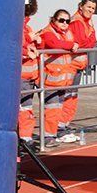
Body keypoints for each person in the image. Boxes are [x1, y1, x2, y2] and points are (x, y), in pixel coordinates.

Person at [59, 0, 97, 141]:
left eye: (93, 8)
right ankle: (60, 127)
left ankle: (64, 125)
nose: (91, 11)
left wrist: (90, 40)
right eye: (88, 7)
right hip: (71, 65)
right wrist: (91, 40)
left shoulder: (86, 23)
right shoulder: (77, 22)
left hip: (78, 65)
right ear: (81, 6)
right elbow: (83, 43)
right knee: (67, 95)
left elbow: (91, 42)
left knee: (72, 96)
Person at [39, 9, 78, 148]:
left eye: (67, 21)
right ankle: (48, 136)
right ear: (54, 20)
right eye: (61, 20)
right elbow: (53, 44)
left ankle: (55, 133)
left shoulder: (66, 33)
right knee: (52, 108)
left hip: (62, 80)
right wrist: (70, 46)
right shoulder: (48, 32)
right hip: (50, 79)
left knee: (59, 107)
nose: (64, 23)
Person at [19, 0, 42, 144]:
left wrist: (35, 43)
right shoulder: (21, 26)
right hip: (22, 75)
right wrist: (28, 51)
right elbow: (16, 44)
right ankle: (24, 138)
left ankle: (25, 137)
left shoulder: (26, 27)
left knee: (25, 108)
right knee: (24, 108)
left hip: (29, 75)